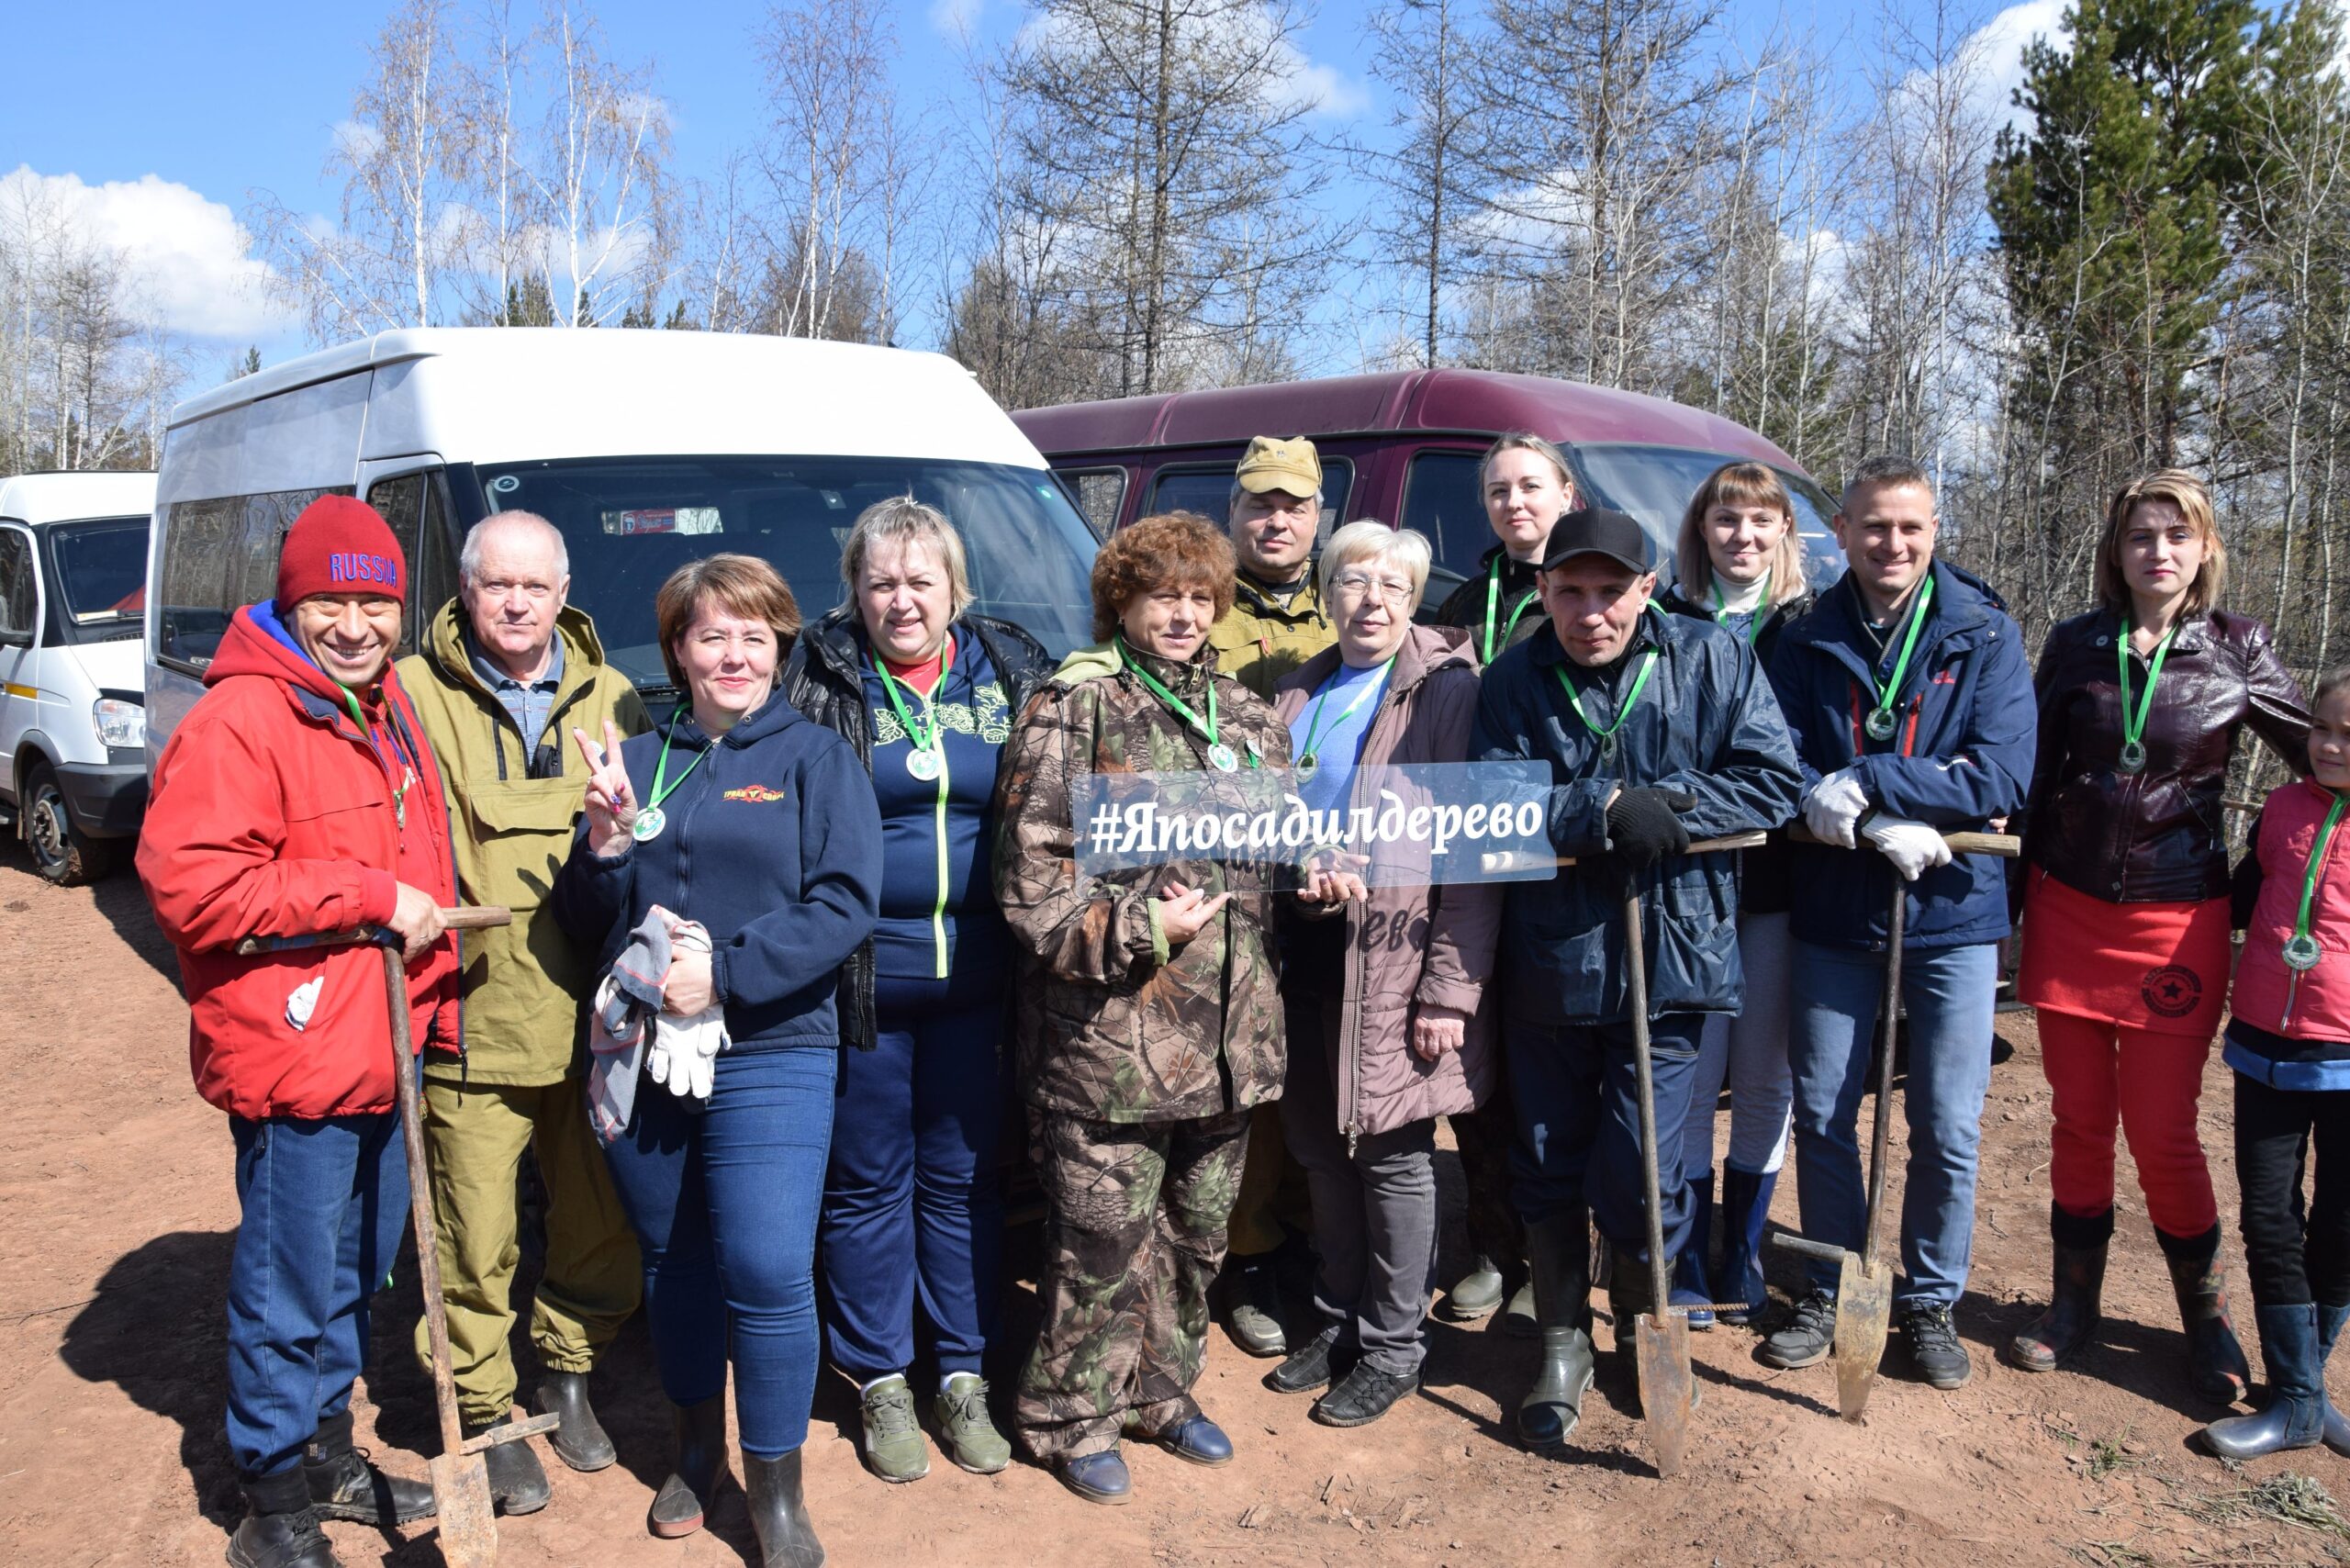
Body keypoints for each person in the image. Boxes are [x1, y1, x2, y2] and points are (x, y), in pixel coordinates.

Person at [138, 496, 454, 1568]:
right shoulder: (243, 718)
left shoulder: (381, 702)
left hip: (380, 1039)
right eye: (332, 600)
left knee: (355, 1272)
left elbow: (425, 874)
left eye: (376, 602)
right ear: (291, 598)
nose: (357, 624)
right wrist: (361, 894)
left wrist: (433, 998)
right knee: (287, 1284)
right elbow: (194, 887)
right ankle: (271, 1501)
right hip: (296, 1050)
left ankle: (324, 1449)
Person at [552, 554, 880, 1566]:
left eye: (753, 635)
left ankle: (775, 1489)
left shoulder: (816, 760)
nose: (733, 654)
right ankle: (696, 1448)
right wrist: (603, 845)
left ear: (780, 645)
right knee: (675, 1259)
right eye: (711, 635)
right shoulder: (641, 760)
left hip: (771, 1046)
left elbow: (844, 904)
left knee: (769, 1266)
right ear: (679, 651)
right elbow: (582, 925)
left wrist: (725, 976)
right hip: (643, 1052)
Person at [1472, 506, 1802, 1450]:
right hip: (1551, 963)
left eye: (1610, 591)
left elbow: (1774, 777)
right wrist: (1602, 804)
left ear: (1646, 588)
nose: (1589, 612)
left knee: (1639, 1168)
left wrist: (1676, 805)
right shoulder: (1513, 677)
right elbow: (1494, 794)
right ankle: (1563, 1343)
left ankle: (1644, 1328)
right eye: (1570, 591)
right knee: (1545, 1160)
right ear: (1543, 590)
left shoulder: (1709, 659)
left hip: (1673, 959)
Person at [995, 511, 1292, 1504]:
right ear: (1120, 600)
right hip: (1109, 1045)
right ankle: (1068, 1414)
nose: (1182, 612)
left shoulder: (1249, 719)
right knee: (1099, 1245)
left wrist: (1317, 869)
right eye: (1160, 593)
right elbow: (1031, 884)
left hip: (1228, 1043)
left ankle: (1162, 1391)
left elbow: (1273, 858)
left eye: (1200, 596)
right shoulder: (1070, 711)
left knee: (1197, 1237)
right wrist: (1135, 927)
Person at [2011, 470, 2306, 1399]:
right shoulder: (2075, 644)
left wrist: (2267, 877)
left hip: (2178, 921)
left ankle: (2207, 1324)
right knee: (2078, 1119)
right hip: (2066, 911)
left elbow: (2320, 755)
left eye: (2176, 535)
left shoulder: (2237, 649)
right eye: (2141, 535)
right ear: (2116, 550)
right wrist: (2010, 903)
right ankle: (2072, 1308)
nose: (2158, 551)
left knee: (2165, 1132)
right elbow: (2028, 774)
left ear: (2205, 548)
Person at [781, 497, 1051, 1482]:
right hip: (864, 980)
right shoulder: (817, 673)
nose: (902, 600)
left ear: (955, 587)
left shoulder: (1008, 667)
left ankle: (963, 1372)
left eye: (920, 580)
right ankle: (881, 1379)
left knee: (966, 1183)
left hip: (983, 980)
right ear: (854, 590)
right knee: (864, 1186)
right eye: (881, 581)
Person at [1762, 455, 2036, 1392]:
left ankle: (1926, 1301)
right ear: (1839, 530)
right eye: (1874, 526)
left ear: (1934, 531)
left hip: (1953, 912)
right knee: (1826, 1112)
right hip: (1834, 910)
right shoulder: (1798, 634)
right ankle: (1833, 1284)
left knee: (1946, 1123)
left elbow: (2000, 775)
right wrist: (1843, 809)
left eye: (1910, 528)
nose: (1893, 544)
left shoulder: (1983, 632)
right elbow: (1777, 757)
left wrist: (1876, 784)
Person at [396, 510, 649, 1510]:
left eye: (534, 587)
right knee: (476, 1239)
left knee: (597, 1222)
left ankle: (570, 1375)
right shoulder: (414, 694)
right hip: (473, 1016)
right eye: (496, 584)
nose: (515, 603)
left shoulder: (613, 694)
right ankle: (490, 1410)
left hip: (593, 1020)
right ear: (465, 589)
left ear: (563, 591)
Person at [1266, 522, 1503, 1427]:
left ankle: (1396, 1345)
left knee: (1394, 1155)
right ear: (1326, 595)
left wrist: (1450, 987)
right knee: (1322, 1150)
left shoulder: (1447, 691)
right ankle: (1339, 1320)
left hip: (1399, 960)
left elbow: (1476, 851)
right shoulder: (1299, 690)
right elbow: (1266, 818)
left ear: (1413, 600)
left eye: (1389, 586)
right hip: (1304, 949)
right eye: (1351, 583)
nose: (1369, 601)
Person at [1655, 463, 1816, 1328]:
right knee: (1689, 1075)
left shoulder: (1810, 627)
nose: (1742, 536)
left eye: (1761, 520)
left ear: (1785, 530)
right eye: (1726, 519)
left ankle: (1742, 1248)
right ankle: (1680, 1251)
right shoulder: (1667, 625)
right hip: (1686, 886)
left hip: (1777, 888)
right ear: (1701, 530)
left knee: (1763, 1075)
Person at [1432, 431, 1580, 1327]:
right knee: (1474, 1069)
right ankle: (1489, 1245)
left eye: (1530, 485)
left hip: (1557, 863)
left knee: (1547, 1081)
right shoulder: (1461, 599)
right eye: (1497, 489)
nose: (1514, 502)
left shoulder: (1585, 594)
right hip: (1471, 849)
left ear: (1565, 491)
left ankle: (1548, 1256)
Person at [1207, 433, 1338, 1360]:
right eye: (1259, 503)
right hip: (1230, 880)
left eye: (1291, 503)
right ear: (1235, 513)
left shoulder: (1354, 605)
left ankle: (1308, 1239)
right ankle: (1246, 1253)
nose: (1275, 519)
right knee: (1244, 1082)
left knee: (1318, 1073)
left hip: (1334, 882)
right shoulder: (1194, 609)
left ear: (1317, 514)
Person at [2200, 669, 2350, 1459]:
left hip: (2349, 1052)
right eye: (2324, 727)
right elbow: (2236, 899)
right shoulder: (2283, 809)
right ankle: (2300, 1398)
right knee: (2268, 1216)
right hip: (2265, 1039)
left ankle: (2301, 1390)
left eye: (2349, 735)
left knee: (2341, 1223)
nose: (2330, 744)